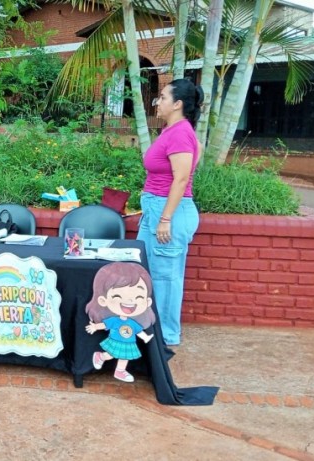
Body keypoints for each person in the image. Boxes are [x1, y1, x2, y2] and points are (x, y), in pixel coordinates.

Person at [136, 78, 203, 346]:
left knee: (165, 278)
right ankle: (152, 331)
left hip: (168, 212)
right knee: (150, 272)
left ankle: (165, 337)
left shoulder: (180, 133)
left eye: (162, 97)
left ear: (177, 104)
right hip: (157, 209)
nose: (158, 102)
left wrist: (165, 218)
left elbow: (181, 178)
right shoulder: (170, 131)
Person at [85, 262, 156, 383]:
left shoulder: (133, 322)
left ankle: (120, 371)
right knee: (111, 354)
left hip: (129, 343)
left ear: (147, 302)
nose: (129, 300)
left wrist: (145, 338)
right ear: (103, 300)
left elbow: (138, 331)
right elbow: (105, 325)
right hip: (116, 341)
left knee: (125, 357)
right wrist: (95, 327)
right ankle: (100, 356)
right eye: (118, 296)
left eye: (138, 297)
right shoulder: (114, 320)